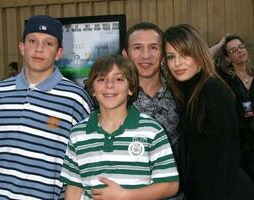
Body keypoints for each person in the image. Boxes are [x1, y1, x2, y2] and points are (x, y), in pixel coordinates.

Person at [0, 15, 93, 200]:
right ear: (22, 47)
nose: (39, 48)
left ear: (59, 53)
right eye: (32, 41)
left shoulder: (76, 99)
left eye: (48, 43)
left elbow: (83, 165)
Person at [60, 55, 179, 200]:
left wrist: (126, 195)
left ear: (131, 88)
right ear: (92, 89)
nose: (110, 85)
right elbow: (74, 188)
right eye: (102, 79)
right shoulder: (78, 134)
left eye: (119, 79)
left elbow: (170, 185)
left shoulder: (152, 131)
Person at [163, 24, 254, 199]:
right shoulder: (186, 90)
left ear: (198, 54)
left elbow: (228, 156)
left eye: (185, 54)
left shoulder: (213, 90)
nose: (177, 63)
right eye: (171, 56)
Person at [122, 23, 182, 199]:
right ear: (125, 54)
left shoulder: (182, 94)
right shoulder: (113, 97)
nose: (146, 55)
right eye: (137, 48)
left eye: (153, 47)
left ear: (163, 54)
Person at [210, 34, 254, 181]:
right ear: (227, 58)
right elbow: (202, 60)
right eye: (233, 50)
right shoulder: (225, 78)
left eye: (241, 47)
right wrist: (221, 43)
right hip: (239, 144)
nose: (240, 51)